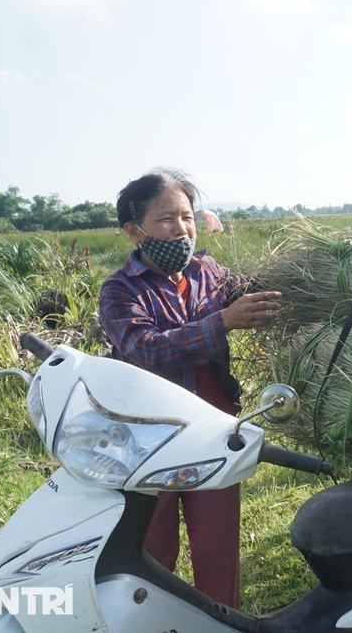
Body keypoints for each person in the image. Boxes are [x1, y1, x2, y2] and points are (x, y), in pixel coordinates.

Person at [98, 167, 282, 608]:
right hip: (148, 440)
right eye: (166, 220)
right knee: (152, 551)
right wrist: (220, 323)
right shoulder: (120, 290)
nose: (181, 229)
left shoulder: (208, 273)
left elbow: (249, 296)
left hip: (214, 434)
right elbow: (144, 350)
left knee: (218, 547)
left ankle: (220, 619)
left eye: (187, 218)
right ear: (133, 230)